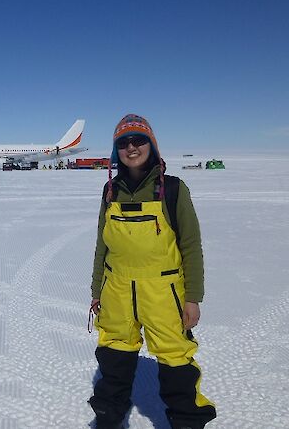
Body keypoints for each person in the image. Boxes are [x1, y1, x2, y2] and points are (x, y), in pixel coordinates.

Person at [88, 114, 216, 429]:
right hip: (116, 291)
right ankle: (108, 417)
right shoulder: (110, 191)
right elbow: (101, 247)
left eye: (138, 140)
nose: (131, 148)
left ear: (151, 145)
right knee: (113, 358)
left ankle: (186, 421)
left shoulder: (173, 190)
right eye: (124, 142)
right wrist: (96, 292)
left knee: (175, 359)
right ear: (116, 150)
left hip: (163, 292)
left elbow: (190, 246)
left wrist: (193, 298)